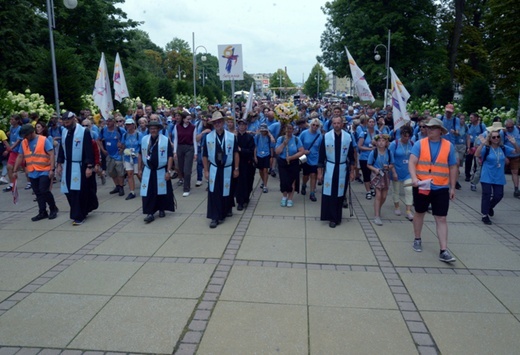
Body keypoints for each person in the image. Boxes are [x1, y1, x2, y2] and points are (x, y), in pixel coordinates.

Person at [408, 117, 458, 263]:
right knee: (419, 212)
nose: (429, 130)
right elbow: (412, 162)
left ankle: (444, 250)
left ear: (440, 131)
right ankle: (417, 238)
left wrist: (453, 187)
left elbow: (453, 167)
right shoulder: (420, 144)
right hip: (422, 185)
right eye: (427, 127)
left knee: (441, 217)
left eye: (432, 128)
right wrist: (414, 178)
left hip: (441, 186)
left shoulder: (448, 146)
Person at [56, 111, 98, 225]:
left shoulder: (84, 132)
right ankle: (80, 210)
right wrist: (59, 164)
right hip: (68, 165)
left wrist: (89, 166)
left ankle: (79, 215)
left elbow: (89, 150)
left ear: (73, 120)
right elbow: (61, 148)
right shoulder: (64, 132)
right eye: (64, 122)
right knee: (68, 190)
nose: (66, 124)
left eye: (68, 122)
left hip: (80, 166)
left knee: (78, 191)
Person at [475, 125, 519, 224]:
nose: (496, 139)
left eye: (498, 137)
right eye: (494, 137)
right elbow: (477, 154)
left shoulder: (503, 148)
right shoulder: (487, 148)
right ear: (490, 138)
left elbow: (517, 151)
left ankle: (490, 206)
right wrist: (482, 144)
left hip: (498, 176)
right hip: (487, 175)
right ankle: (485, 215)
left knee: (498, 195)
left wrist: (514, 143)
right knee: (486, 194)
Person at [13, 124, 58, 221]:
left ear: (31, 133)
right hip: (32, 171)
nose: (25, 137)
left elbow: (51, 154)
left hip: (44, 169)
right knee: (37, 192)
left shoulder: (43, 140)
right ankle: (42, 212)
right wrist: (15, 170)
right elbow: (20, 156)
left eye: (26, 135)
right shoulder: (24, 142)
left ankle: (53, 208)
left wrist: (52, 169)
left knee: (44, 190)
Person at [202, 111, 239, 228]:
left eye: (219, 121)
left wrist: (236, 168)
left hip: (227, 168)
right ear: (213, 124)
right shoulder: (208, 137)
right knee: (214, 191)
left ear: (223, 122)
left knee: (227, 190)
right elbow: (204, 155)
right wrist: (206, 170)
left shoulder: (232, 137)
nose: (217, 124)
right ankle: (215, 216)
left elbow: (236, 153)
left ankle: (226, 209)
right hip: (214, 168)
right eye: (215, 122)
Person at [317, 116, 356, 228]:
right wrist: (320, 172)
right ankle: (331, 217)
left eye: (338, 123)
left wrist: (352, 171)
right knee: (330, 193)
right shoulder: (326, 137)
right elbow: (321, 156)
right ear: (332, 124)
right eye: (334, 123)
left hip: (342, 168)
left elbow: (351, 157)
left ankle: (337, 217)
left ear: (342, 124)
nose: (336, 125)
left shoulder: (348, 137)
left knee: (340, 194)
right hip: (330, 167)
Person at [137, 121, 175, 223]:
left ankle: (161, 209)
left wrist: (169, 171)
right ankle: (150, 212)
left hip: (161, 169)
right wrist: (139, 169)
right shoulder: (145, 140)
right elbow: (140, 154)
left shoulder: (165, 140)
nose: (153, 130)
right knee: (148, 192)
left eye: (155, 128)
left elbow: (170, 156)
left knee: (161, 191)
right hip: (148, 170)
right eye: (151, 128)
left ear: (158, 129)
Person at [367, 134, 395, 226]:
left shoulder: (389, 152)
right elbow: (369, 164)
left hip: (385, 175)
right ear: (376, 142)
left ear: (386, 142)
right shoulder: (374, 152)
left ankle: (378, 207)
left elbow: (392, 164)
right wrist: (375, 169)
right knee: (378, 195)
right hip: (376, 175)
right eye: (379, 141)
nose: (381, 142)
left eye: (383, 141)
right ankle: (377, 216)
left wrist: (389, 167)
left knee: (384, 196)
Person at [275, 124, 304, 208]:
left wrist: (292, 157)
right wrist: (283, 144)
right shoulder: (280, 139)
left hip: (293, 162)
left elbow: (301, 151)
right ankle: (284, 196)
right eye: (287, 129)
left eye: (290, 129)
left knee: (292, 181)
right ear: (284, 130)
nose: (289, 130)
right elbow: (277, 152)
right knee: (284, 180)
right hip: (283, 162)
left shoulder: (296, 139)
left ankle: (290, 198)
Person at [389, 124, 414, 221]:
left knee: (409, 190)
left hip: (407, 171)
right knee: (396, 190)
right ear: (401, 135)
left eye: (408, 136)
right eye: (404, 136)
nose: (406, 138)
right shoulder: (394, 144)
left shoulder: (412, 144)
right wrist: (394, 172)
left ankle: (408, 210)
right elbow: (390, 159)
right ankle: (397, 206)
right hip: (396, 170)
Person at [98, 115, 126, 196]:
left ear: (113, 122)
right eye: (107, 121)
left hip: (118, 155)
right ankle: (117, 186)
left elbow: (126, 140)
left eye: (109, 121)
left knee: (120, 172)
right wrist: (103, 150)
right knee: (111, 172)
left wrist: (122, 146)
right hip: (109, 155)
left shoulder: (120, 130)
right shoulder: (103, 130)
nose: (108, 122)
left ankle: (121, 187)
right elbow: (98, 140)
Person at [173, 112, 197, 197]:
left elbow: (194, 140)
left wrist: (195, 153)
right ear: (183, 119)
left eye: (190, 119)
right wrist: (175, 151)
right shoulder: (177, 127)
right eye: (187, 119)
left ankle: (186, 188)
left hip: (189, 148)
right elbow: (175, 139)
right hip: (180, 148)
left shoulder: (193, 127)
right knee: (181, 168)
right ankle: (184, 179)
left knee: (187, 170)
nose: (189, 121)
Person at [299, 117, 323, 202]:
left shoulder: (319, 136)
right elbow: (298, 143)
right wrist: (303, 151)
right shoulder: (304, 133)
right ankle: (304, 184)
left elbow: (321, 147)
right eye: (313, 125)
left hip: (315, 158)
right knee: (306, 175)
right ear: (310, 125)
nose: (315, 127)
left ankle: (312, 193)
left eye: (317, 125)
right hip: (305, 157)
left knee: (313, 175)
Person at [235, 119, 256, 210]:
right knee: (239, 183)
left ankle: (246, 198)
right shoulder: (235, 137)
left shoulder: (249, 137)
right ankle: (240, 201)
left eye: (243, 125)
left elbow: (251, 151)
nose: (242, 126)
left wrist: (241, 150)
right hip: (237, 163)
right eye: (240, 125)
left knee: (247, 182)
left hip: (246, 163)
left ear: (246, 126)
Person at [358, 116, 378, 200]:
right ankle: (368, 191)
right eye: (369, 122)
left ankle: (372, 187)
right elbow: (360, 146)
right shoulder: (363, 133)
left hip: (375, 157)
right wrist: (370, 149)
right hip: (365, 157)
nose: (371, 123)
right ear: (367, 123)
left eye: (373, 122)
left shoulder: (378, 133)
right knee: (366, 174)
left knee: (374, 174)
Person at [121, 118, 142, 200]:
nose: (128, 126)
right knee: (129, 173)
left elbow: (141, 146)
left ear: (133, 125)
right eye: (127, 124)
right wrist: (121, 147)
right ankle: (132, 192)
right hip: (127, 156)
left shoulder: (138, 134)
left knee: (138, 173)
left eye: (130, 124)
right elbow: (123, 145)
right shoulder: (125, 135)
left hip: (136, 156)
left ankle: (145, 186)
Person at [254, 123, 275, 193]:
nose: (263, 132)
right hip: (259, 155)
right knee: (261, 170)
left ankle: (265, 185)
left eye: (264, 130)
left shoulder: (269, 137)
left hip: (267, 154)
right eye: (262, 130)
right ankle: (263, 180)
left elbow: (271, 147)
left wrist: (271, 157)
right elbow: (255, 146)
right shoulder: (257, 136)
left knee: (265, 170)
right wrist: (255, 156)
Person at [502, 119, 520, 198]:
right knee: (500, 171)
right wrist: (505, 156)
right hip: (506, 155)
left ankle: (516, 189)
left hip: (516, 155)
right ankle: (498, 187)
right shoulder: (503, 132)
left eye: (511, 127)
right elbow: (500, 144)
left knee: (515, 172)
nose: (509, 129)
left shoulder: (518, 130)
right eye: (507, 127)